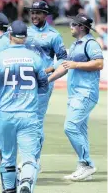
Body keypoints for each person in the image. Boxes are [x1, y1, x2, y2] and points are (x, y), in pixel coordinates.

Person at [0, 20, 49, 193]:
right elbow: (44, 85)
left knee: (8, 157)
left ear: (9, 35)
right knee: (29, 158)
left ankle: (10, 189)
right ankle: (25, 182)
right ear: (25, 37)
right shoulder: (35, 57)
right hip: (28, 114)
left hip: (5, 115)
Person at [48, 13, 104, 181]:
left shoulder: (90, 43)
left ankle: (87, 164)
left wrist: (76, 64)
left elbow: (99, 63)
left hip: (85, 93)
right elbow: (65, 66)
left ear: (81, 27)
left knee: (70, 126)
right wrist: (48, 78)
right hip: (76, 94)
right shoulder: (75, 44)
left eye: (73, 24)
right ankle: (83, 167)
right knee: (80, 129)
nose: (70, 26)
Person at [24, 0, 67, 167]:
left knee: (36, 121)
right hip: (24, 83)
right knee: (24, 120)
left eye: (38, 13)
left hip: (43, 84)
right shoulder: (25, 32)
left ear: (45, 15)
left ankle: (34, 159)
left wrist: (49, 71)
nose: (34, 15)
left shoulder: (54, 35)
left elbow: (63, 60)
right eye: (32, 12)